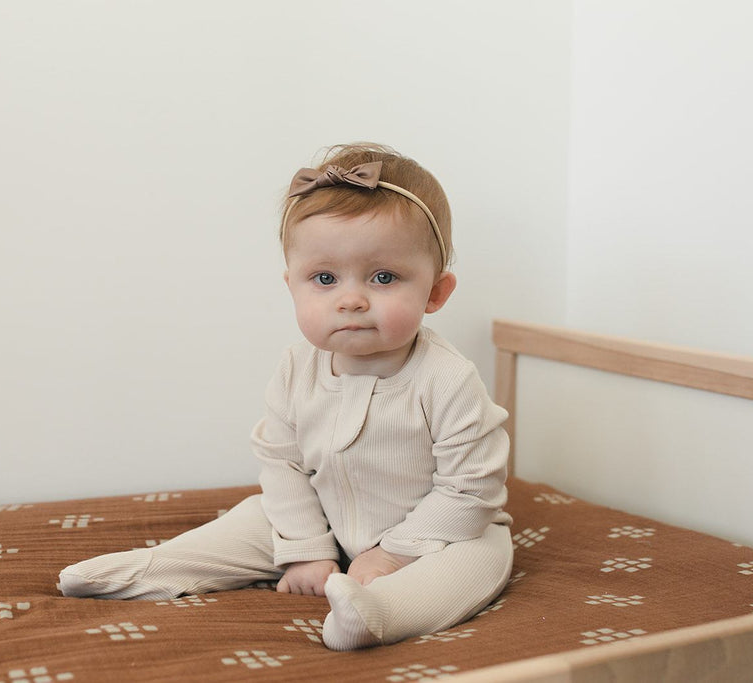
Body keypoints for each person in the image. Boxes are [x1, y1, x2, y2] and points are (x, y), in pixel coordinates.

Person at [58, 143, 513, 650]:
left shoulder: (447, 379)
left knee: (474, 563)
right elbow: (283, 463)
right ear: (292, 285)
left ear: (436, 292)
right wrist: (307, 548)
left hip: (436, 533)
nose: (351, 299)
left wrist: (394, 554)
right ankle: (153, 568)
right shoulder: (297, 368)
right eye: (325, 278)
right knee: (255, 515)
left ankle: (378, 613)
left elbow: (471, 489)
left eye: (384, 277)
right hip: (326, 519)